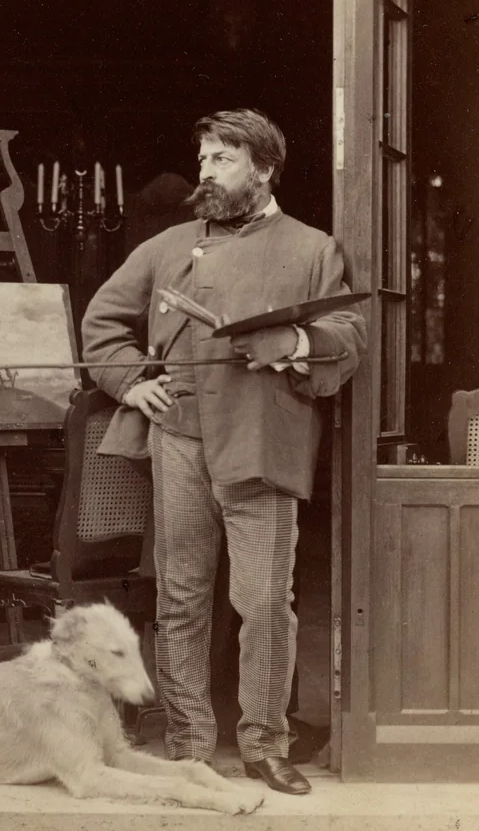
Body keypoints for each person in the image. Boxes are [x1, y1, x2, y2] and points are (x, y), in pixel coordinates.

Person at [81, 109, 366, 795]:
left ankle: (266, 745)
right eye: (204, 158)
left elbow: (348, 331)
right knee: (181, 598)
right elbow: (101, 324)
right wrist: (132, 383)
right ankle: (188, 745)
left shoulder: (311, 248)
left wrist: (293, 345)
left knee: (265, 601)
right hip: (180, 438)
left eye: (223, 159)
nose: (206, 170)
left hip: (264, 442)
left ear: (263, 169)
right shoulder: (167, 246)